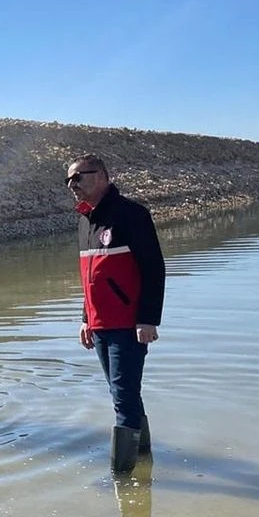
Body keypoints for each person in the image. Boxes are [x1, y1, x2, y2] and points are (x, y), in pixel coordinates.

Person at [67, 154, 166, 474]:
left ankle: (122, 481)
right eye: (68, 180)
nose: (72, 185)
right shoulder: (85, 220)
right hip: (100, 325)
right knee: (123, 393)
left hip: (128, 324)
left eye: (78, 177)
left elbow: (154, 269)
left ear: (101, 177)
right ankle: (144, 460)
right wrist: (86, 318)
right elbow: (90, 276)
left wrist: (148, 319)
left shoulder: (131, 215)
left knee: (123, 398)